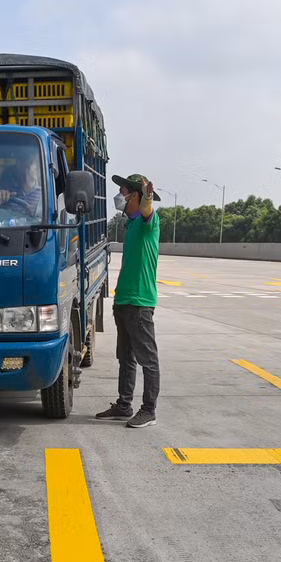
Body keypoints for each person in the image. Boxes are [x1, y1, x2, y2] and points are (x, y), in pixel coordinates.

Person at [96, 173, 161, 428]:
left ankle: (149, 410)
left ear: (135, 195)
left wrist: (147, 197)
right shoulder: (131, 224)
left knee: (148, 359)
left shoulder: (148, 222)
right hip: (123, 301)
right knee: (126, 357)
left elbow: (147, 209)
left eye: (123, 191)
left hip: (139, 302)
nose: (119, 196)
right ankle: (124, 405)